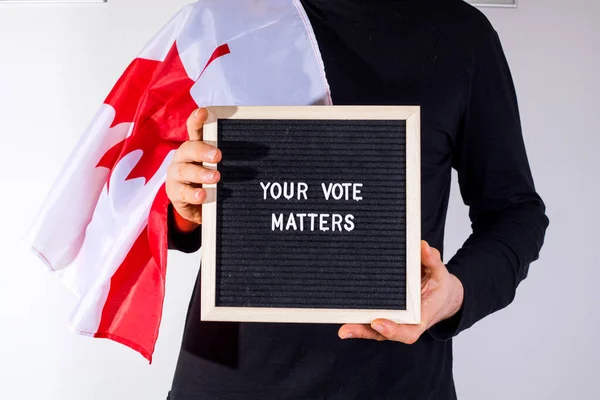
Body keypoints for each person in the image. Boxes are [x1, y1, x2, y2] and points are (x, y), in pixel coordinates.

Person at [164, 0, 549, 398]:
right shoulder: (223, 20)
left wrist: (456, 292)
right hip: (226, 379)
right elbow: (144, 198)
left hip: (394, 380)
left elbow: (515, 213)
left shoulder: (462, 35)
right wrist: (184, 207)